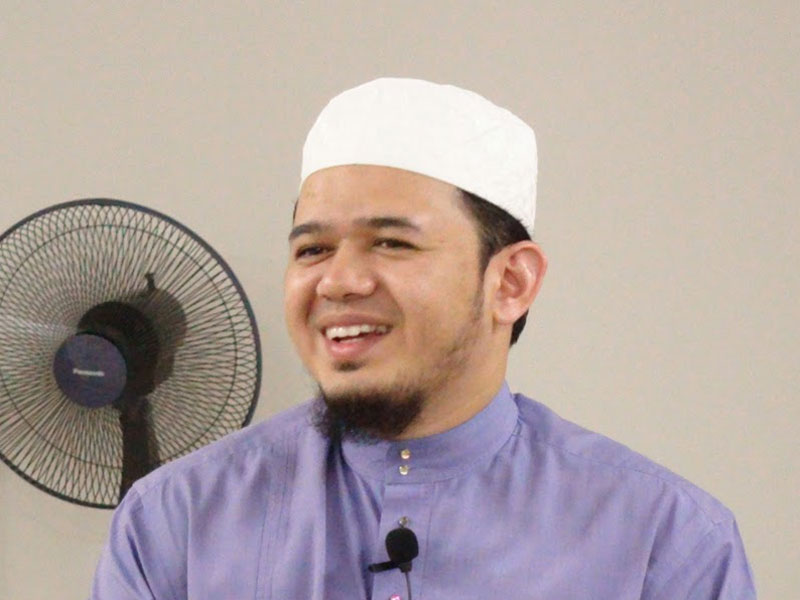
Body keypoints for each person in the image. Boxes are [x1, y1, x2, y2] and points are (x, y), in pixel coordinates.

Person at [90, 77, 757, 599]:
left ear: (511, 282)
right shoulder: (173, 523)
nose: (338, 281)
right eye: (313, 249)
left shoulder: (666, 540)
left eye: (391, 242)